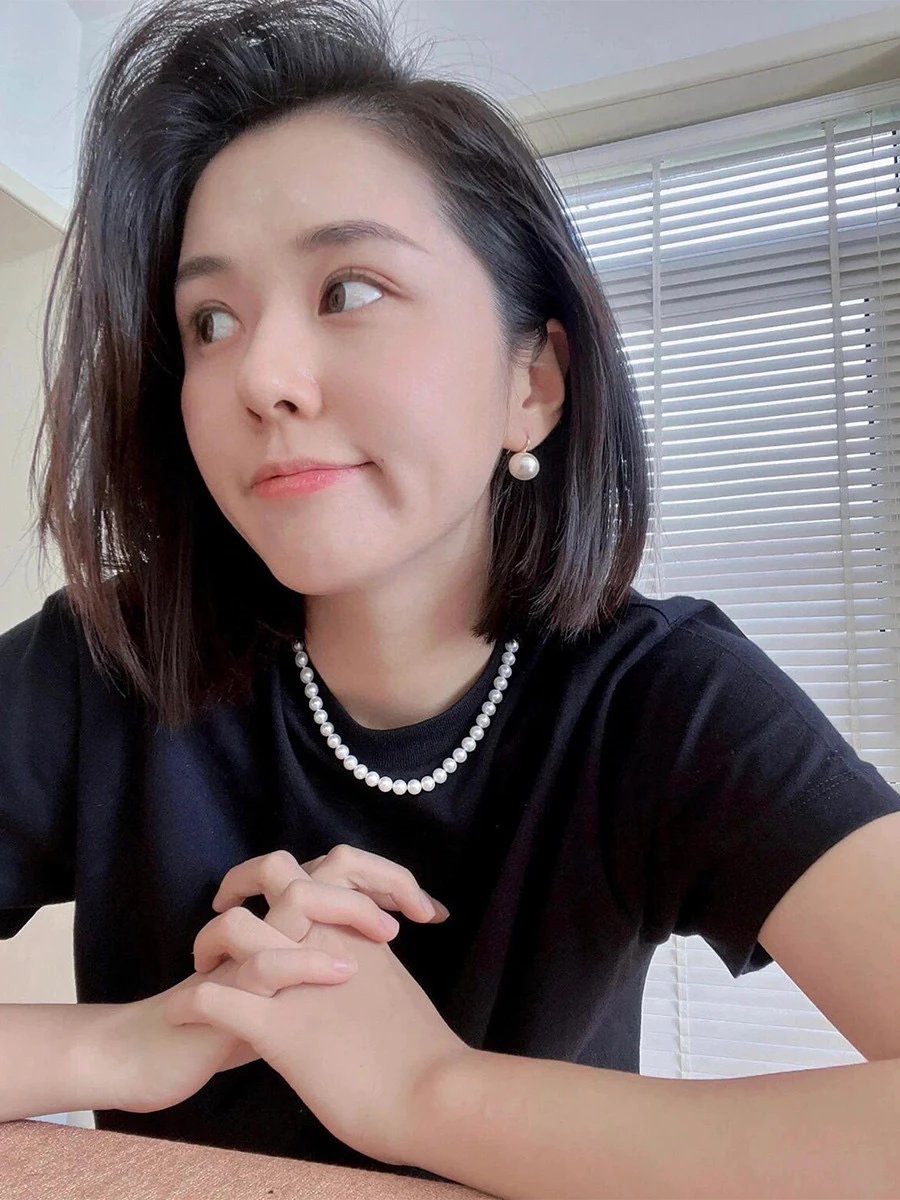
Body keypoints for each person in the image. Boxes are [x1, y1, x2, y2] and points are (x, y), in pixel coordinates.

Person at [2, 0, 899, 1188]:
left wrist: (424, 1090)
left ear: (534, 382)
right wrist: (121, 1044)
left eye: (350, 289)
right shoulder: (103, 662)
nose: (260, 374)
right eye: (210, 320)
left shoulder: (663, 697)